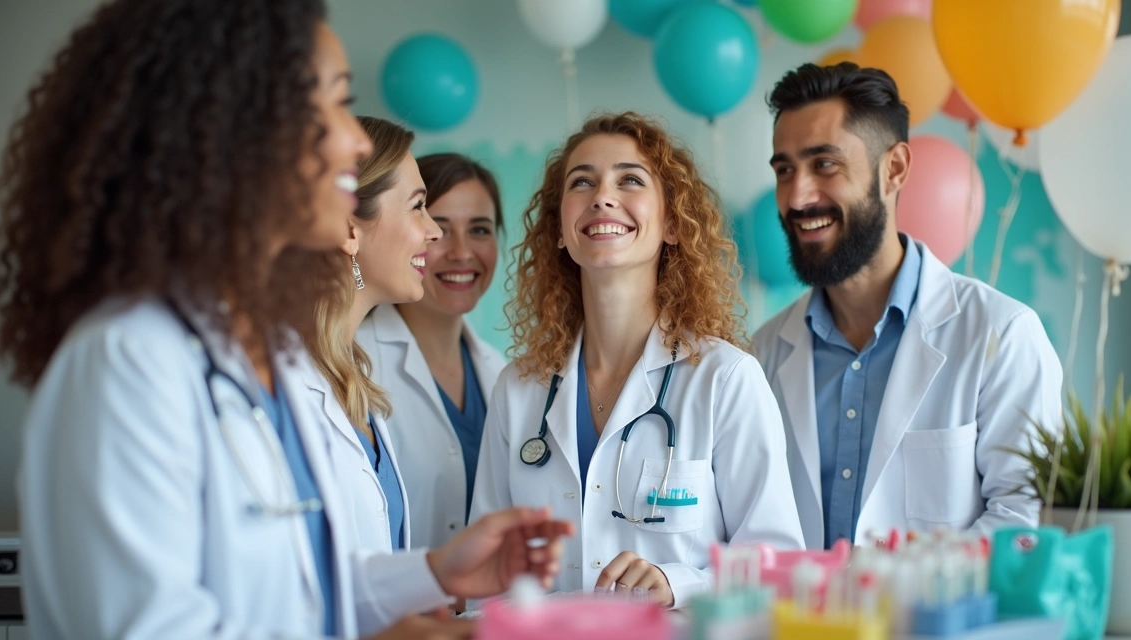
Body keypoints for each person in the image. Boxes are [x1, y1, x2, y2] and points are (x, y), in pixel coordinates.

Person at [0, 2, 571, 638]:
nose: (356, 141)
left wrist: (435, 571)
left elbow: (296, 587)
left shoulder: (269, 360)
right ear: (230, 130)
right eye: (331, 104)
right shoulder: (129, 359)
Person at [469, 112, 806, 610]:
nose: (602, 197)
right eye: (582, 182)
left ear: (672, 223)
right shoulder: (518, 389)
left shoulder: (725, 379)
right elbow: (487, 578)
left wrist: (678, 584)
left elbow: (778, 567)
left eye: (629, 180)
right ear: (559, 229)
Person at [750, 62, 1063, 550]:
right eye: (784, 170)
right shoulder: (763, 353)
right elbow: (745, 525)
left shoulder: (1003, 335)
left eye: (824, 164)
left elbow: (1024, 522)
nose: (796, 196)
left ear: (893, 169)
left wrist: (890, 585)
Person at [304, 116, 440, 553]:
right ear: (349, 228)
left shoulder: (351, 374)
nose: (434, 230)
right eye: (417, 206)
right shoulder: (290, 381)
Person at [358, 151, 507, 549]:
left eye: (479, 230)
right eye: (439, 228)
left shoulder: (500, 371)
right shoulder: (356, 361)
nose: (461, 252)